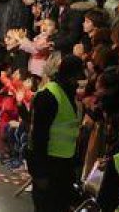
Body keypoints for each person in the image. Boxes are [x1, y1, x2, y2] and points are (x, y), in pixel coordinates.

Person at [27, 54, 85, 212]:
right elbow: (37, 137)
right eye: (77, 78)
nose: (78, 82)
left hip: (65, 167)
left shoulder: (72, 98)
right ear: (70, 76)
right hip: (48, 165)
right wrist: (39, 173)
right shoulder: (49, 96)